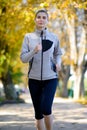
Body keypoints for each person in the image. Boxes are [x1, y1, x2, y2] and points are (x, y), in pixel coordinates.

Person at [20, 9, 62, 130]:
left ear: (47, 21)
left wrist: (58, 63)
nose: (41, 19)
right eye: (39, 17)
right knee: (38, 114)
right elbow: (23, 58)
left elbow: (58, 53)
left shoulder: (54, 37)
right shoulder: (28, 37)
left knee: (46, 108)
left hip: (51, 78)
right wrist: (34, 51)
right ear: (35, 19)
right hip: (33, 79)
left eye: (44, 17)